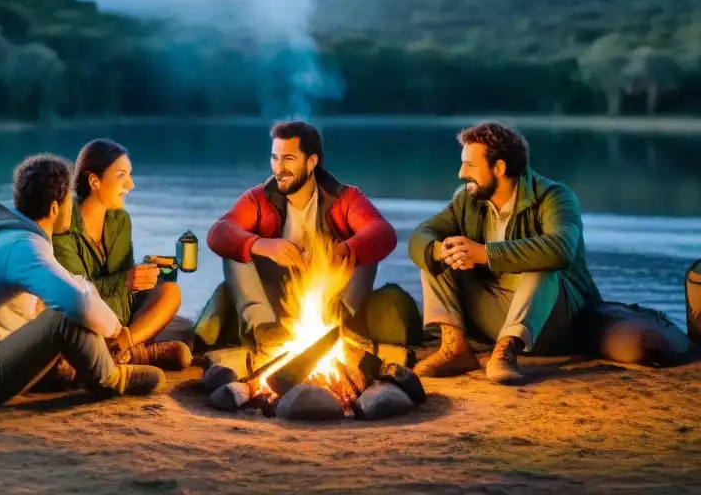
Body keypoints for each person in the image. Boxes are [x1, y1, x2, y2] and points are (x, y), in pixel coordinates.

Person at [0, 153, 165, 405]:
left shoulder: (4, 235)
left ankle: (99, 363)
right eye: (70, 201)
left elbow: (71, 287)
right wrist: (117, 331)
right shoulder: (24, 246)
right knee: (67, 315)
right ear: (55, 208)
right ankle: (113, 377)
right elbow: (79, 303)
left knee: (59, 304)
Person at [409, 121, 602, 385]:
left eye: (470, 166)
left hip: (553, 319)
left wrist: (484, 254)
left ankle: (506, 351)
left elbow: (561, 249)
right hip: (497, 310)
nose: (461, 173)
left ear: (499, 167)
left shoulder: (554, 197)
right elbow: (421, 235)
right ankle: (455, 348)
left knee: (542, 264)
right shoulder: (467, 198)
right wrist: (441, 251)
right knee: (436, 255)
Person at [206, 120, 398, 353]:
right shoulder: (258, 198)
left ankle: (340, 324)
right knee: (236, 250)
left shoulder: (344, 197)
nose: (278, 168)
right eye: (274, 158)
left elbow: (383, 233)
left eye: (288, 159)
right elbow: (219, 232)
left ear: (312, 162)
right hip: (277, 299)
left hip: (329, 296)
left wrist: (344, 250)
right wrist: (262, 245)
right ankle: (263, 330)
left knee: (366, 248)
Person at [52, 139, 192, 371]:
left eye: (130, 175)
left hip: (118, 314)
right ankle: (134, 355)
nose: (131, 184)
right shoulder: (63, 225)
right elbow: (76, 293)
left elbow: (124, 277)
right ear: (94, 181)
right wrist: (126, 281)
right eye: (121, 175)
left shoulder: (120, 220)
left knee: (170, 291)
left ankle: (119, 349)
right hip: (83, 313)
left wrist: (146, 272)